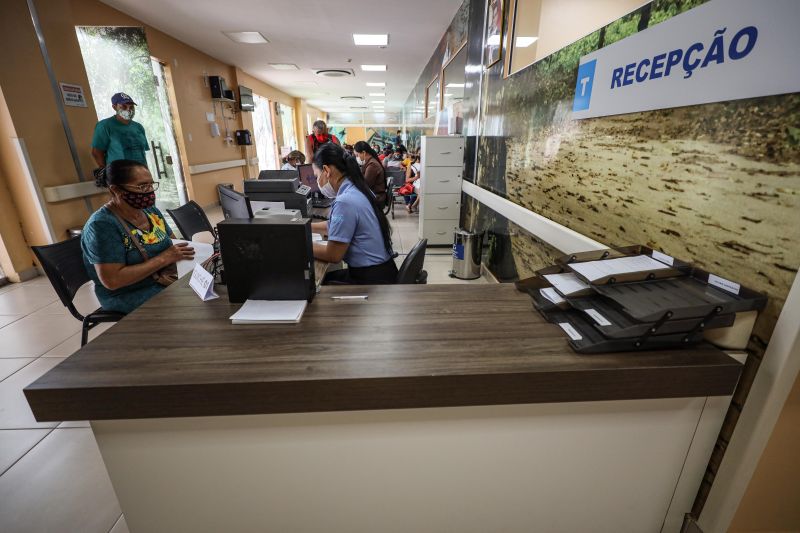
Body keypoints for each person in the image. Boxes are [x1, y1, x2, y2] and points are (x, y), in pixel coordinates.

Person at [82, 159, 194, 314]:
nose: (150, 191)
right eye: (142, 186)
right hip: (129, 293)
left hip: (164, 278)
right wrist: (164, 258)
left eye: (151, 184)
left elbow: (174, 244)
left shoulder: (151, 211)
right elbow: (112, 280)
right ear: (116, 190)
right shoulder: (102, 225)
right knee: (191, 304)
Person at [310, 144, 397, 284]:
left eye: (316, 176)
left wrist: (300, 244)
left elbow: (333, 255)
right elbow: (337, 225)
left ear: (326, 170)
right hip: (384, 271)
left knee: (315, 284)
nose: (317, 181)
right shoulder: (358, 189)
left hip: (372, 281)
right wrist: (306, 227)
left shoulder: (345, 201)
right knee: (327, 278)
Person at [91, 93, 150, 177]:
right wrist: (108, 174)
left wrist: (146, 174)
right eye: (124, 107)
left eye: (131, 107)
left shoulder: (138, 127)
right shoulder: (104, 126)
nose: (128, 110)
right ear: (114, 107)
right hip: (120, 176)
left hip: (141, 174)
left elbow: (142, 152)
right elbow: (97, 152)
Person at [354, 140, 386, 205]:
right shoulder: (370, 162)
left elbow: (366, 185)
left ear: (363, 152)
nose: (357, 158)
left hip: (376, 198)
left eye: (357, 155)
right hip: (374, 195)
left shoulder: (372, 165)